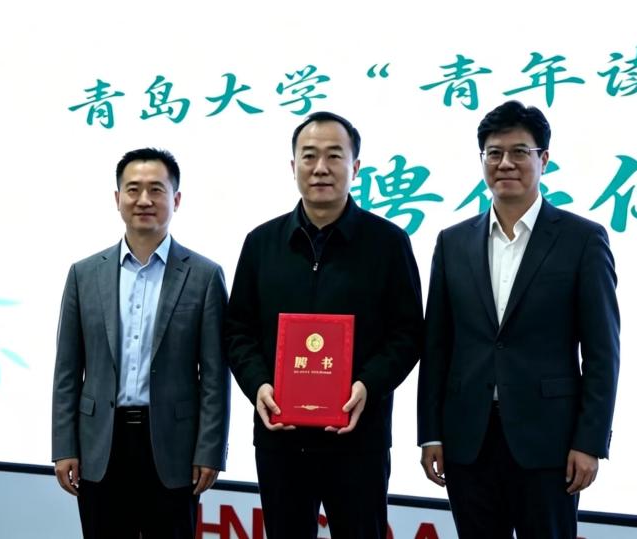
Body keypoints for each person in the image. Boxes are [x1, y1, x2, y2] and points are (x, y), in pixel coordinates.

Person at [417, 100, 620, 538]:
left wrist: (589, 442)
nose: (505, 163)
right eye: (494, 153)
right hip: (468, 441)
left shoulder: (582, 239)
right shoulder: (453, 242)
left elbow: (603, 351)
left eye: (519, 152)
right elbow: (436, 346)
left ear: (543, 159)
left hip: (548, 443)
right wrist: (430, 434)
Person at [225, 111, 423, 539]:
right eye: (309, 155)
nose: (320, 168)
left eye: (334, 156)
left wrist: (367, 385)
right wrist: (259, 385)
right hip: (280, 437)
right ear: (292, 165)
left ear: (355, 167)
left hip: (359, 437)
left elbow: (408, 333)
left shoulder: (388, 243)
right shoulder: (261, 243)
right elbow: (238, 330)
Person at [51, 147, 230, 539]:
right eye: (133, 189)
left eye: (156, 190)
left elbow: (216, 377)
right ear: (117, 198)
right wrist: (64, 446)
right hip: (101, 444)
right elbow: (67, 371)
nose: (144, 200)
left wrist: (210, 451)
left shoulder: (204, 276)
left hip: (173, 448)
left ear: (176, 200)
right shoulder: (84, 274)